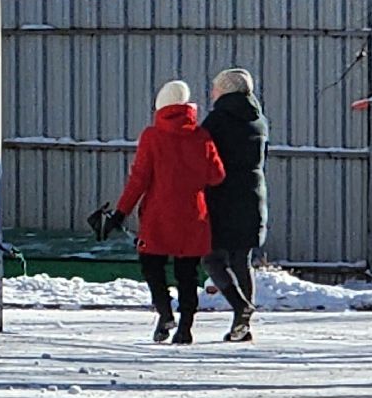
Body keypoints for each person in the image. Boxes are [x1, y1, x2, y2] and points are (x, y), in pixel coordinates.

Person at [100, 80, 225, 344]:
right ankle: (186, 328)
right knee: (188, 274)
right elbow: (217, 176)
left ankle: (165, 311)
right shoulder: (202, 137)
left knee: (151, 265)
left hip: (159, 215)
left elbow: (139, 180)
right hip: (194, 215)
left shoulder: (152, 136)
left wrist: (120, 213)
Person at [201, 68, 270, 343]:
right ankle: (243, 323)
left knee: (211, 257)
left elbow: (204, 156)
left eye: (216, 88)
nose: (212, 93)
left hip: (222, 196)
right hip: (253, 194)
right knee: (242, 259)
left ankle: (241, 307)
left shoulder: (217, 120)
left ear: (225, 90)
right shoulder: (259, 120)